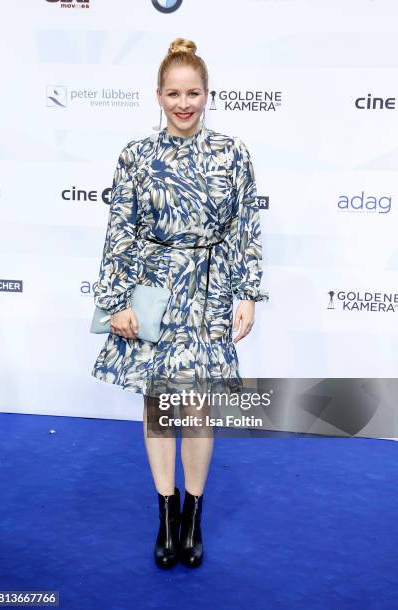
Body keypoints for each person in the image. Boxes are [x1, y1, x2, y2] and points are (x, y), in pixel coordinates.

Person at [91, 37, 269, 569]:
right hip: (153, 291)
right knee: (159, 406)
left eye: (194, 93)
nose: (184, 103)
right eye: (174, 94)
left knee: (197, 408)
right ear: (158, 96)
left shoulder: (233, 153)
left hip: (211, 291)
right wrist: (115, 300)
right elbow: (119, 230)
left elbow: (245, 229)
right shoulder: (137, 156)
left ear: (208, 93)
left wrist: (248, 294)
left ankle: (194, 514)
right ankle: (165, 515)